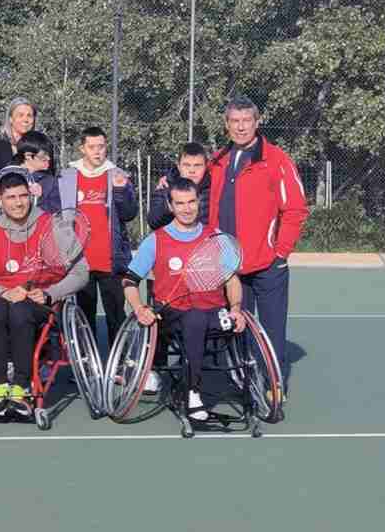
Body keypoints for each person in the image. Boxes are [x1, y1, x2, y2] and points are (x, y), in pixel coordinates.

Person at [122, 178, 247, 422]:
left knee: (204, 318)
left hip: (213, 312)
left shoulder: (216, 237)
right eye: (180, 203)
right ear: (170, 206)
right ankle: (193, 392)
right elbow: (128, 281)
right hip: (173, 314)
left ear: (198, 202)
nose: (187, 208)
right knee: (194, 319)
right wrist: (139, 308)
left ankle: (240, 385)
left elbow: (232, 281)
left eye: (191, 202)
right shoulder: (156, 240)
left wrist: (236, 308)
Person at [207, 95, 309, 392]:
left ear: (257, 122)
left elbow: (295, 209)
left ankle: (273, 385)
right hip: (229, 265)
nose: (241, 127)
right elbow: (196, 187)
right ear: (227, 124)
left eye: (246, 121)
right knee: (236, 326)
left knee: (271, 330)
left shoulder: (277, 159)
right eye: (235, 121)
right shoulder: (219, 160)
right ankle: (244, 382)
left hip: (267, 265)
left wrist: (280, 252)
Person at [0, 172, 89, 419]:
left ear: (31, 196)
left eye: (23, 195)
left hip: (40, 304)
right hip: (2, 300)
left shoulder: (55, 226)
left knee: (21, 309)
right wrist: (3, 291)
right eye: (11, 197)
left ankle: (22, 386)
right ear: (0, 200)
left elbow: (81, 272)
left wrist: (49, 293)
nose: (18, 202)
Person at [43, 127, 136, 352]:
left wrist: (122, 192)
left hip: (111, 262)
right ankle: (86, 361)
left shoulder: (118, 175)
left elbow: (129, 213)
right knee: (84, 316)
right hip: (79, 262)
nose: (97, 152)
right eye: (92, 147)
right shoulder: (66, 177)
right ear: (82, 148)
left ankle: (119, 363)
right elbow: (56, 214)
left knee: (116, 315)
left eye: (101, 146)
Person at [0, 130, 57, 225]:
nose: (48, 158)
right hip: (6, 236)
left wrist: (40, 199)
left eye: (49, 154)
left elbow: (56, 216)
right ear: (28, 156)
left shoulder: (50, 181)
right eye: (43, 156)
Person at [0, 97, 43, 192]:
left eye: (29, 116)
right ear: (11, 119)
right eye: (20, 115)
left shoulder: (40, 146)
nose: (26, 120)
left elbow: (48, 179)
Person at [147, 142, 211, 230]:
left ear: (206, 166)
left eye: (197, 165)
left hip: (206, 242)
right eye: (186, 165)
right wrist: (168, 206)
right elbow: (153, 221)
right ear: (178, 166)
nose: (192, 170)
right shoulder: (165, 187)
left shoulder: (214, 188)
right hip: (174, 242)